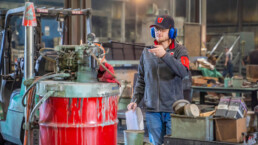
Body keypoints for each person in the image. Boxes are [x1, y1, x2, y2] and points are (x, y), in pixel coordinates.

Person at [127, 15, 189, 145]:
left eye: (162, 30)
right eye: (156, 29)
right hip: (152, 111)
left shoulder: (180, 51)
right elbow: (141, 80)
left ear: (171, 32)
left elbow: (184, 72)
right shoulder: (146, 52)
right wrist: (135, 100)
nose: (158, 32)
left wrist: (165, 56)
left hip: (173, 110)